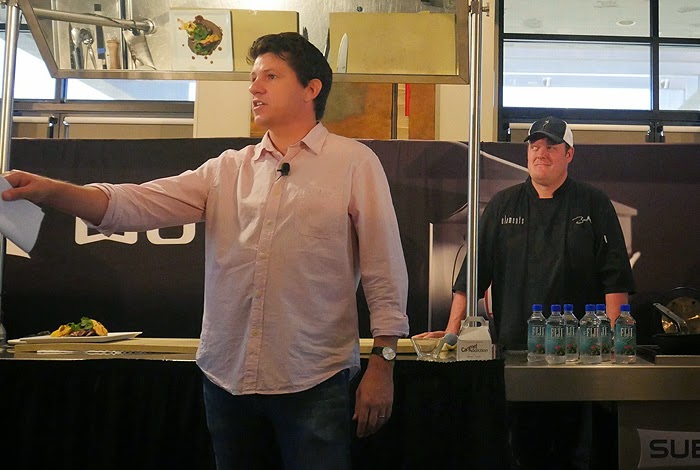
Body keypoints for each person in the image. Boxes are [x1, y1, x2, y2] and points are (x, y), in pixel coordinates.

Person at [2, 32, 409, 469]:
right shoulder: (227, 169)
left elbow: (384, 266)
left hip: (315, 378)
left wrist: (383, 362)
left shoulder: (353, 162)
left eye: (270, 77)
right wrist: (49, 190)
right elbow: (131, 205)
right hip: (226, 380)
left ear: (311, 89)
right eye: (253, 78)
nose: (254, 88)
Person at [417, 116, 635, 469]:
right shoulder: (503, 205)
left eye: (551, 147)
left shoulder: (593, 203)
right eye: (534, 146)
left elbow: (615, 277)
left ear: (569, 154)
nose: (540, 153)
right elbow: (472, 274)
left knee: (576, 452)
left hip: (579, 354)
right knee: (522, 450)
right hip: (517, 350)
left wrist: (611, 339)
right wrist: (452, 332)